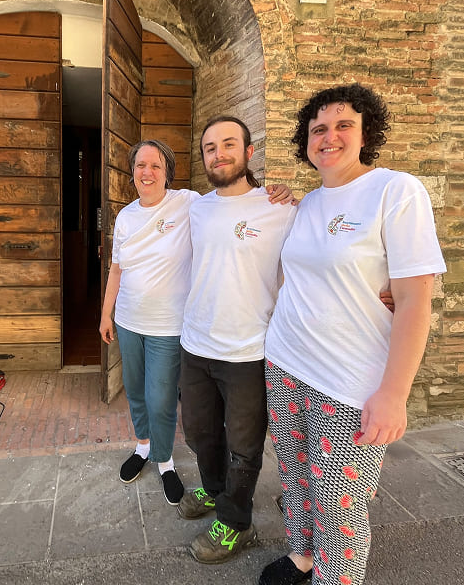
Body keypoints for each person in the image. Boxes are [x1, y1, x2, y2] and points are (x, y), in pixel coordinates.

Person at [259, 84, 446, 585]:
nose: (330, 136)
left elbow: (413, 299)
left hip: (351, 383)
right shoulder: (308, 204)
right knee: (296, 481)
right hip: (286, 361)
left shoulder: (395, 191)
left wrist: (394, 394)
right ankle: (302, 557)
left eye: (344, 125)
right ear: (306, 141)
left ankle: (331, 575)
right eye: (318, 128)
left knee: (341, 512)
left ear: (366, 133)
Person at [99, 139, 292, 506]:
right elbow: (116, 268)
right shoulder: (125, 217)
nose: (147, 172)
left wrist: (275, 192)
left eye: (156, 165)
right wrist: (105, 314)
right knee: (135, 390)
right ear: (132, 173)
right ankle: (143, 446)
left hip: (169, 326)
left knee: (161, 399)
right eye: (141, 165)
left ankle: (164, 461)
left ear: (167, 172)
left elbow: (233, 199)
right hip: (127, 320)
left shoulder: (190, 203)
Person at [177, 117, 298, 564]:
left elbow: (316, 258)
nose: (218, 153)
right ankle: (212, 490)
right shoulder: (196, 208)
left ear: (249, 152)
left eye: (229, 144)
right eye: (210, 147)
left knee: (243, 447)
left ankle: (236, 523)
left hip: (248, 350)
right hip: (195, 345)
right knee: (200, 434)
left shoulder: (281, 209)